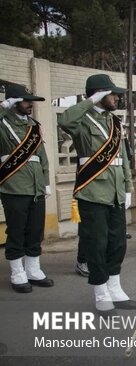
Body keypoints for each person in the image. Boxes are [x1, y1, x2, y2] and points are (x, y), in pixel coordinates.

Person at [59, 74, 136, 315]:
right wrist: (91, 101)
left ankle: (115, 287)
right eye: (112, 93)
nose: (116, 97)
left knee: (117, 242)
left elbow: (122, 156)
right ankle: (100, 290)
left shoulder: (114, 123)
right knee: (97, 243)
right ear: (99, 94)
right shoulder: (82, 121)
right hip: (92, 191)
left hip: (114, 191)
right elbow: (65, 120)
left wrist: (127, 187)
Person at [0, 84, 54, 293]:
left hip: (36, 188)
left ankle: (33, 269)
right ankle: (17, 273)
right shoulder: (3, 123)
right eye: (25, 100)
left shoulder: (34, 126)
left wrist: (46, 182)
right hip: (14, 186)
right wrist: (3, 106)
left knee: (34, 231)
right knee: (16, 231)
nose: (30, 104)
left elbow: (43, 157)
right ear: (13, 102)